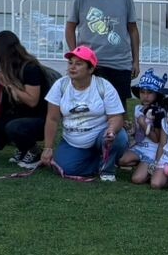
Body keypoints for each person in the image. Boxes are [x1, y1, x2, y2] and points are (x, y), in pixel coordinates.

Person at [40, 46, 129, 181]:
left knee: (119, 137)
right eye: (70, 63)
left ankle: (108, 170)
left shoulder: (103, 86)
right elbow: (52, 119)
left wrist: (111, 130)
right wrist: (48, 148)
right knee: (65, 169)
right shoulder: (60, 85)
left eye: (79, 64)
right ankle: (99, 160)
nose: (72, 67)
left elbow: (116, 117)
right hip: (73, 140)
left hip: (101, 135)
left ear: (91, 69)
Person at [64, 0, 140, 101]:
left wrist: (136, 61)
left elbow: (133, 30)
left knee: (118, 108)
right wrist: (76, 56)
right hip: (90, 65)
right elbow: (70, 28)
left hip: (119, 63)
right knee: (88, 105)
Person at [0, 30, 52, 168]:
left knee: (14, 127)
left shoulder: (30, 68)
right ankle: (23, 147)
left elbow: (32, 101)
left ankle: (33, 150)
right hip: (18, 115)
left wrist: (10, 85)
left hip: (39, 119)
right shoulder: (9, 68)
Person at [122, 69, 168, 184]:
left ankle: (150, 169)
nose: (145, 96)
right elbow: (138, 131)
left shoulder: (159, 113)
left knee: (137, 179)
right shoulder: (138, 108)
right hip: (139, 146)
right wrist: (132, 129)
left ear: (157, 94)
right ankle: (140, 165)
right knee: (121, 159)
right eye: (142, 92)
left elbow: (156, 139)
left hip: (151, 151)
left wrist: (143, 123)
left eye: (149, 93)